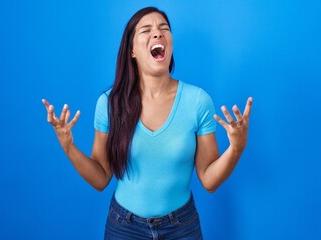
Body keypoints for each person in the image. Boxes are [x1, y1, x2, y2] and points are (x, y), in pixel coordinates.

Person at [42, 6, 252, 240]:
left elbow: (209, 180)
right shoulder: (110, 103)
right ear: (132, 50)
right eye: (146, 30)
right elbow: (100, 178)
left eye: (164, 29)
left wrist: (236, 148)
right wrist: (68, 146)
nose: (158, 33)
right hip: (124, 227)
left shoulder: (198, 101)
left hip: (182, 227)